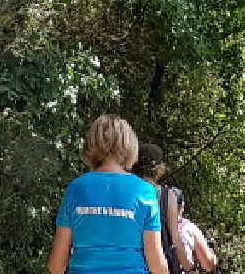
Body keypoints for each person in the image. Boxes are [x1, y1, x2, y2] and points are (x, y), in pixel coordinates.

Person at [50, 115, 168, 274]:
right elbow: (157, 266)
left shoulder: (76, 188)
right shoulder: (144, 191)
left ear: (90, 145)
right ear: (130, 145)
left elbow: (56, 266)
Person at [131, 143, 219, 272]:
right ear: (158, 168)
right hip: (163, 264)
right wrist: (188, 267)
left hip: (134, 263)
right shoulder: (167, 195)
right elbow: (174, 238)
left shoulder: (129, 193)